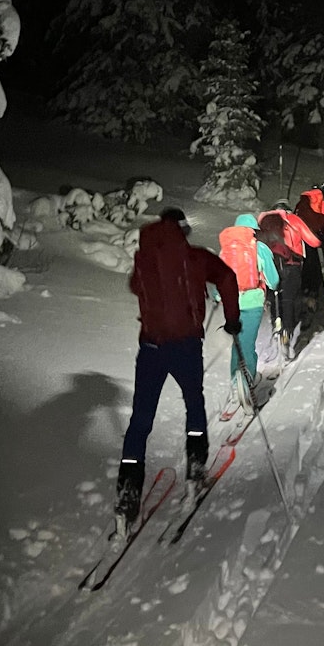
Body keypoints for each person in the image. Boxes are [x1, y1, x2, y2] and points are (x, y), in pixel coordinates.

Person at [116, 207, 240, 533]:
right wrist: (232, 320)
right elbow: (227, 277)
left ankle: (128, 491)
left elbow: (133, 286)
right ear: (183, 230)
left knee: (141, 420)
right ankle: (196, 470)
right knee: (193, 403)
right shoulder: (195, 257)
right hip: (185, 346)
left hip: (151, 348)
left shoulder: (145, 258)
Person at [216, 214, 279, 412]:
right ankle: (246, 386)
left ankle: (235, 387)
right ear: (253, 230)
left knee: (237, 344)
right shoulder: (259, 248)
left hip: (231, 303)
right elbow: (273, 280)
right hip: (253, 302)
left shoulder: (226, 249)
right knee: (248, 345)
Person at [257, 198, 321, 349]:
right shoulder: (293, 219)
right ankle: (287, 331)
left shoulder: (263, 220)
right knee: (290, 298)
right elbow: (313, 241)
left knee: (274, 297)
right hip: (292, 265)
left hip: (270, 265)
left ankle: (276, 325)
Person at [294, 184, 324, 319]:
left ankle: (305, 291)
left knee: (306, 265)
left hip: (302, 240)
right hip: (319, 240)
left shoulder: (301, 203)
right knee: (319, 266)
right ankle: (314, 294)